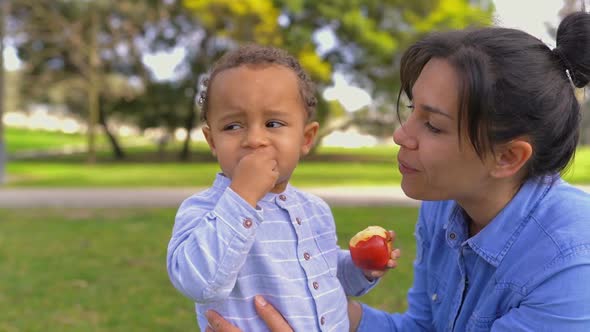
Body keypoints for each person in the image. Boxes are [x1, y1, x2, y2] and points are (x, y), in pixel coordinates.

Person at [205, 11, 590, 332]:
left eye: (434, 126)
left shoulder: (571, 262)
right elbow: (422, 328)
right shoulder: (446, 206)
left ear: (507, 157)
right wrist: (318, 309)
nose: (400, 135)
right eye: (412, 110)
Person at [166, 44, 401, 331]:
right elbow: (199, 283)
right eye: (232, 126)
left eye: (273, 123)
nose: (254, 139)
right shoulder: (204, 211)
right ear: (212, 140)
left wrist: (361, 269)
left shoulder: (315, 210)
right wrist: (242, 196)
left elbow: (323, 277)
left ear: (306, 138)